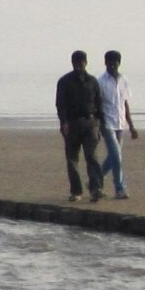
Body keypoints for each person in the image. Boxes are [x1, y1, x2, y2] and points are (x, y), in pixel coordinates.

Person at [54, 50, 106, 202]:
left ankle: (96, 188)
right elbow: (60, 104)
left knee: (92, 156)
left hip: (90, 123)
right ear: (72, 63)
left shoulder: (92, 81)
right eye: (76, 62)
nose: (79, 65)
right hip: (72, 124)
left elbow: (99, 103)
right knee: (72, 159)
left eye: (81, 62)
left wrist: (100, 124)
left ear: (86, 63)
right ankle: (76, 191)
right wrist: (63, 122)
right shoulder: (64, 81)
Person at [97, 50, 136, 198]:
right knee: (117, 156)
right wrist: (99, 125)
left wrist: (131, 125)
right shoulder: (100, 82)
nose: (112, 65)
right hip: (107, 123)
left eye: (115, 62)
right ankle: (120, 188)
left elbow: (125, 103)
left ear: (119, 63)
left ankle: (95, 180)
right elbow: (98, 105)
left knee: (113, 157)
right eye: (109, 62)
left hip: (120, 123)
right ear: (105, 63)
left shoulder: (124, 80)